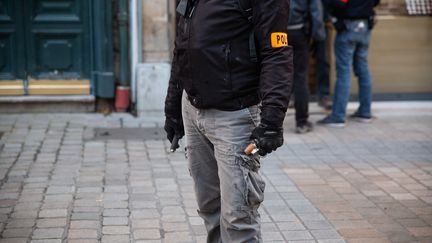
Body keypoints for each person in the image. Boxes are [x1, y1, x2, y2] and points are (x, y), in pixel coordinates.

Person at [164, 0, 293, 242]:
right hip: (192, 108)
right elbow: (182, 45)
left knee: (238, 219)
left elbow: (276, 52)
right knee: (210, 209)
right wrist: (172, 106)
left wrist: (272, 122)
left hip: (235, 116)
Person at [318, 0, 380, 127]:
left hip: (348, 27)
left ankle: (338, 116)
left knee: (343, 72)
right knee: (363, 69)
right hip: (365, 26)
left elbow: (338, 2)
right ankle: (365, 112)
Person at [288, 0, 326, 133]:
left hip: (277, 32)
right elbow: (316, 11)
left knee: (276, 75)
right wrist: (318, 37)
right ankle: (301, 122)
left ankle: (272, 122)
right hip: (299, 32)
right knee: (300, 76)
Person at [313, 2, 332, 110]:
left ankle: (324, 95)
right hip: (302, 23)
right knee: (297, 62)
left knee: (323, 61)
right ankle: (293, 95)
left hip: (322, 23)